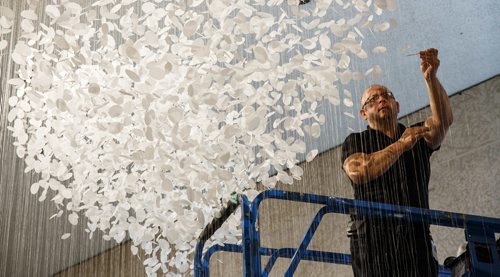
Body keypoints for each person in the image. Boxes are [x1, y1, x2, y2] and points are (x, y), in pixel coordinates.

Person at [341, 48, 453, 277]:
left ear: (397, 106)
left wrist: (431, 79)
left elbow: (443, 122)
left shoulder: (415, 134)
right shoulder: (356, 141)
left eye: (386, 95)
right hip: (372, 239)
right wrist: (402, 145)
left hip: (416, 236)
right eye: (372, 99)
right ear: (364, 113)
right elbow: (358, 171)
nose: (381, 99)